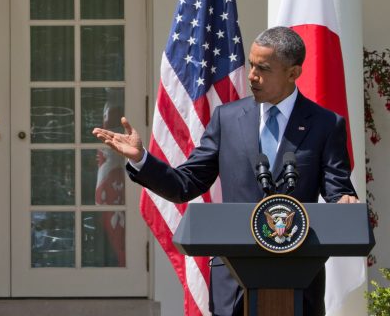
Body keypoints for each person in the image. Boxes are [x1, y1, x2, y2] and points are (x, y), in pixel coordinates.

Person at [92, 26, 358, 316]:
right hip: (233, 279)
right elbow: (186, 184)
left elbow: (338, 190)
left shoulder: (325, 125)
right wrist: (142, 159)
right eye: (252, 65)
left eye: (263, 69)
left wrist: (344, 203)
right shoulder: (227, 119)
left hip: (298, 277)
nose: (252, 75)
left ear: (293, 73)